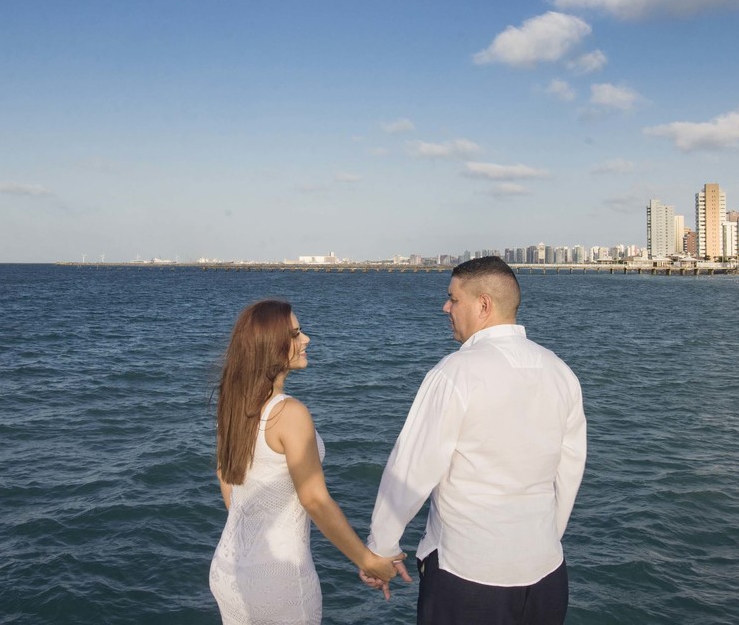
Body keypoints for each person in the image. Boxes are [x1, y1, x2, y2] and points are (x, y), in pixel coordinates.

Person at [363, 257, 587, 624]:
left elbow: (412, 469)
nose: (445, 307)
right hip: (547, 575)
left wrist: (380, 549)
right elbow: (568, 473)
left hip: (468, 577)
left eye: (453, 298)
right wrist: (542, 540)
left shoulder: (455, 373)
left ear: (483, 305)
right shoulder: (561, 372)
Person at [209, 299, 408, 624]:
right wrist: (368, 560)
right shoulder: (290, 413)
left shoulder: (234, 405)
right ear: (272, 346)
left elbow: (226, 476)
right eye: (296, 334)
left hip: (229, 570)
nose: (306, 340)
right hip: (279, 581)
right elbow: (314, 499)